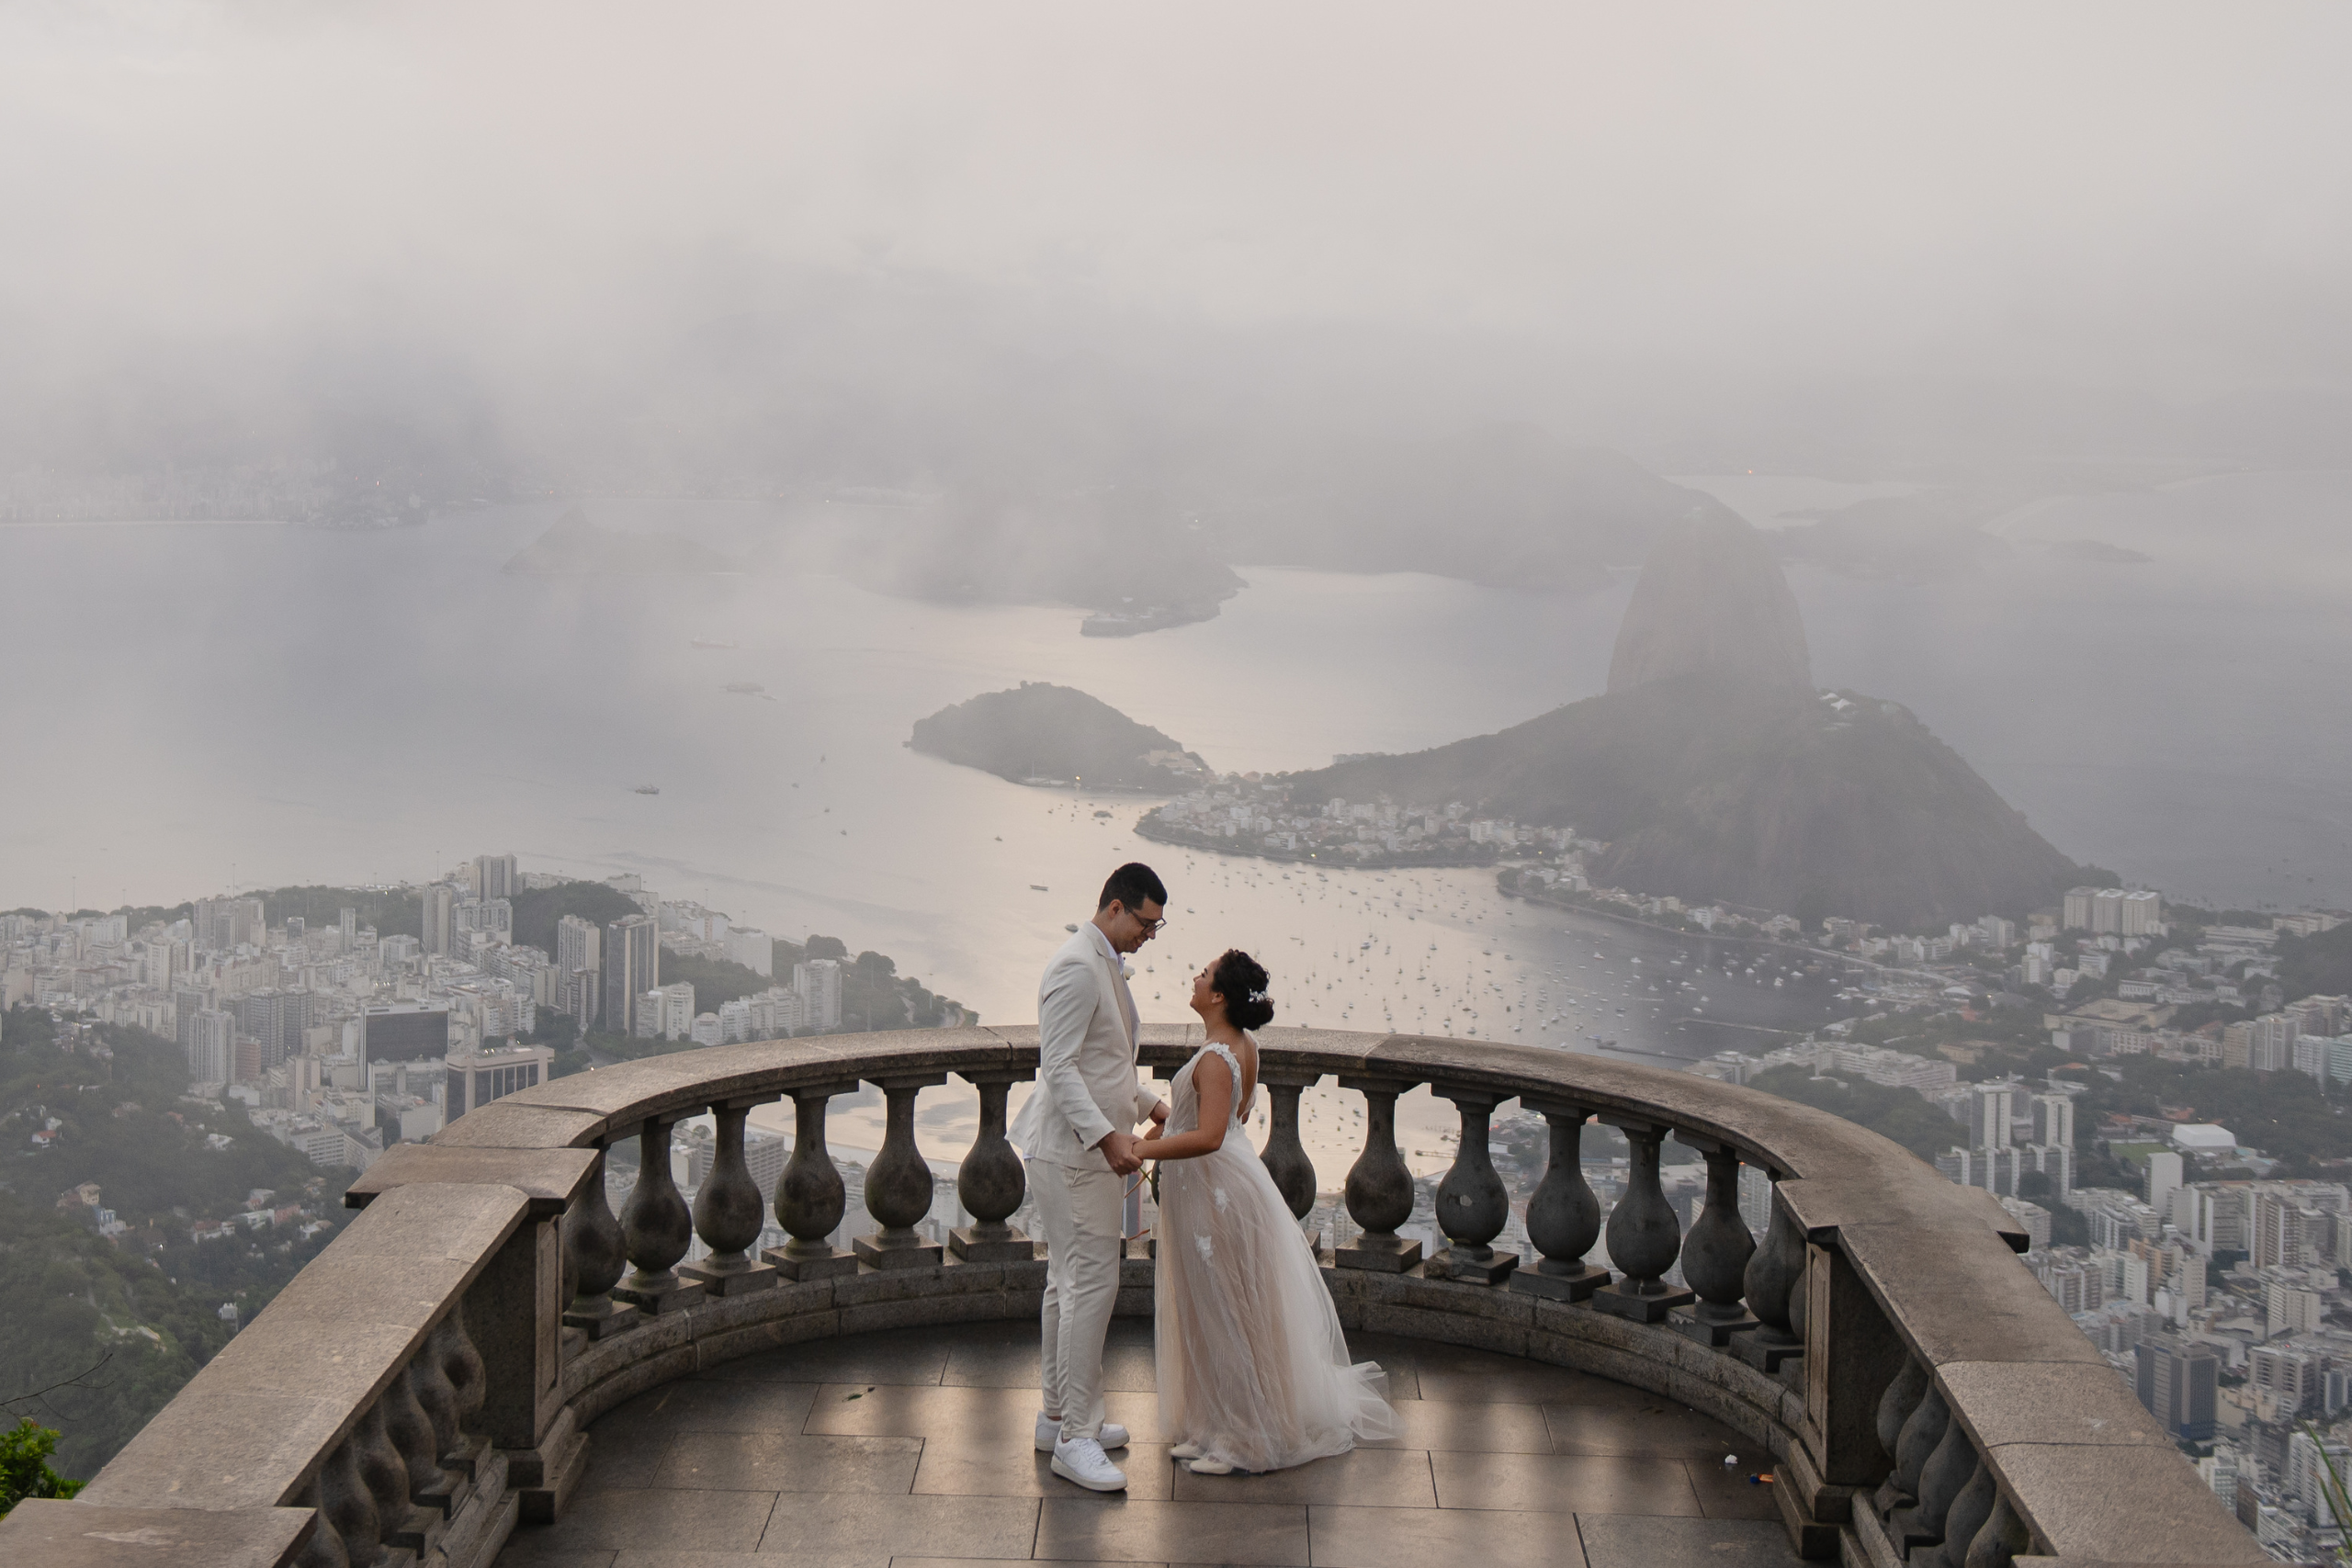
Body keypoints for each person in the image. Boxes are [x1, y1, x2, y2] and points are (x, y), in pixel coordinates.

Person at [1144, 948, 1397, 1474]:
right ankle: (1214, 1424)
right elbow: (1232, 1118)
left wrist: (1139, 1148)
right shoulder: (1244, 1045)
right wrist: (1168, 1129)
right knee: (1222, 1306)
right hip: (1233, 1186)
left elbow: (1211, 1135)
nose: (1195, 975)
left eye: (1204, 972)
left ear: (1217, 996)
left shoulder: (1216, 1057)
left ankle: (1247, 1440)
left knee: (1227, 1311)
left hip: (1216, 1193)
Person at [1011, 862, 1173, 1493]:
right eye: (1145, 922)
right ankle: (1077, 1436)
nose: (1150, 935)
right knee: (1090, 1287)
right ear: (1114, 907)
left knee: (1065, 1283)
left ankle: (1057, 1415)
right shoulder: (1077, 965)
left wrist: (1152, 1107)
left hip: (1079, 1149)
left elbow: (1104, 1064)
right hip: (1076, 1155)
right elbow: (1059, 1067)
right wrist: (1109, 1137)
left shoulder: (1099, 961)